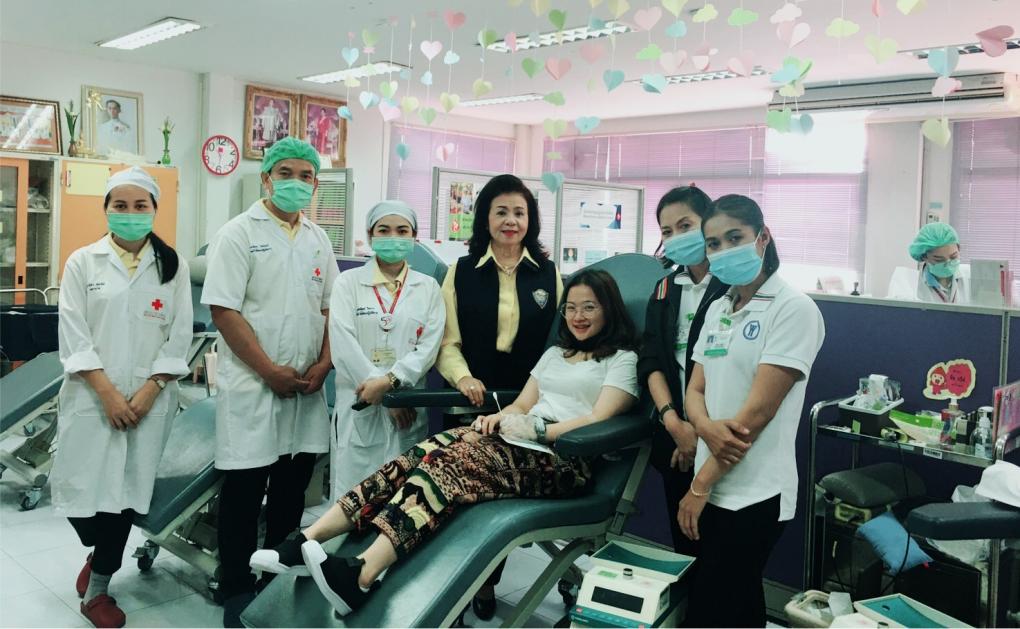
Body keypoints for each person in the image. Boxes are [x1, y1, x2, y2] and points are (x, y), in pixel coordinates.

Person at [249, 269, 639, 617]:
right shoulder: (556, 354)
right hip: (520, 442)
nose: (578, 316)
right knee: (421, 454)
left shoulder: (622, 360)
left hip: (566, 460)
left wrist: (536, 431)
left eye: (589, 307)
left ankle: (361, 575)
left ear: (609, 310)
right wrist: (498, 420)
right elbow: (522, 404)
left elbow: (597, 419)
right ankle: (306, 540)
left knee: (449, 467)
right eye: (571, 308)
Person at [201, 137, 339, 626]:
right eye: (286, 174)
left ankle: (275, 580)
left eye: (306, 176)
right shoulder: (238, 233)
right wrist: (268, 370)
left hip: (304, 389)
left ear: (315, 185)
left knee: (290, 491)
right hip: (253, 387)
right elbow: (224, 309)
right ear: (266, 179)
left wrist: (325, 363)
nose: (296, 183)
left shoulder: (318, 239)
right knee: (243, 492)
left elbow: (330, 308)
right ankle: (236, 585)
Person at [49, 167, 192, 628]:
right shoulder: (83, 262)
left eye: (140, 206)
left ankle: (98, 589)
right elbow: (74, 334)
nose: (130, 213)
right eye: (121, 205)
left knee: (126, 495)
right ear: (107, 209)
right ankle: (96, 550)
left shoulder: (172, 265)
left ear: (154, 209)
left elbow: (179, 335)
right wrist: (108, 394)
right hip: (92, 399)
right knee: (77, 490)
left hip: (150, 403)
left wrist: (151, 389)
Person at [679, 194, 825, 627]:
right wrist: (704, 427)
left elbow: (756, 415)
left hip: (755, 492)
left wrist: (699, 486)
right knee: (739, 604)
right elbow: (695, 389)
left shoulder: (793, 309)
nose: (724, 250)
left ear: (763, 237)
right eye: (713, 243)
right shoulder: (719, 308)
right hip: (712, 479)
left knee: (711, 610)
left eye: (735, 238)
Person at [435, 173, 563, 617]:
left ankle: (485, 583)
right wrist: (463, 378)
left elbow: (558, 345)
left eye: (520, 213)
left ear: (531, 220)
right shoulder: (461, 271)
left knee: (503, 497)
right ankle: (452, 585)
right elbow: (446, 341)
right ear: (485, 218)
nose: (511, 221)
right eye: (501, 211)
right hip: (471, 397)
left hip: (526, 403)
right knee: (461, 496)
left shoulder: (548, 273)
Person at [322, 200, 444, 500]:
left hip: (408, 408)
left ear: (414, 237)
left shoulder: (428, 287)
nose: (393, 237)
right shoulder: (348, 283)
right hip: (360, 404)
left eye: (402, 231)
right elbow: (343, 344)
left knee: (401, 499)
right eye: (384, 230)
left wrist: (391, 386)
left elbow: (428, 348)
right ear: (370, 235)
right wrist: (380, 390)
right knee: (352, 497)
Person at [637, 186, 729, 556]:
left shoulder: (732, 288)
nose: (676, 237)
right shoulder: (664, 288)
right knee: (685, 547)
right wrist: (674, 423)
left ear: (708, 223)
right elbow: (651, 360)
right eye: (667, 231)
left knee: (721, 552)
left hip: (720, 436)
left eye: (685, 226)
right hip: (674, 436)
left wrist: (699, 433)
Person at [907, 222, 970, 304]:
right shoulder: (911, 285)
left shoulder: (972, 276)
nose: (948, 264)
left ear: (959, 249)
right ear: (924, 257)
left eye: (953, 257)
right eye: (939, 260)